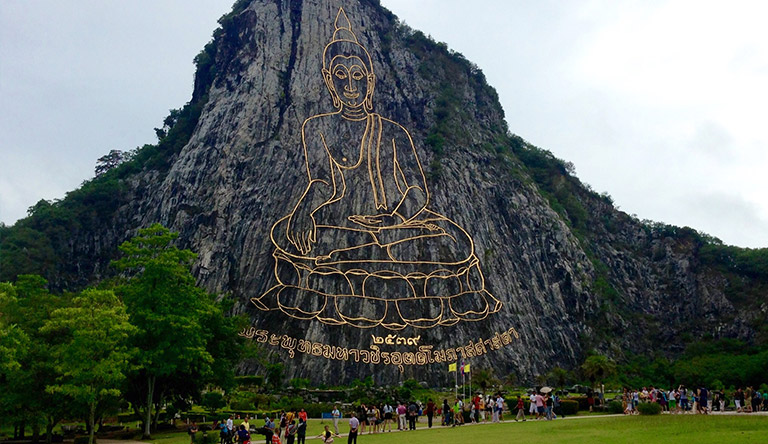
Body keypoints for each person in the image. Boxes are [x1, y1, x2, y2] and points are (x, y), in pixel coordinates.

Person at [252, 7, 501, 331]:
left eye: (358, 76)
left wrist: (394, 219)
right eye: (341, 75)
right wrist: (304, 209)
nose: (350, 86)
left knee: (455, 242)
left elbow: (417, 190)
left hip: (397, 225)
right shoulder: (317, 127)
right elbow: (323, 181)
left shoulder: (394, 131)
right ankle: (371, 270)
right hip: (343, 224)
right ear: (329, 78)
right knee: (296, 235)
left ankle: (359, 268)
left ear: (369, 81)